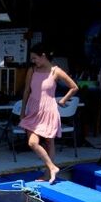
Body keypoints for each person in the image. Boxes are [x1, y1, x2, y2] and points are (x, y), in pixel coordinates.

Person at [20, 46, 79, 183]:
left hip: (49, 110)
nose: (33, 61)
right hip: (33, 110)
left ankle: (48, 174)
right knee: (32, 142)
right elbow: (26, 91)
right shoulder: (32, 70)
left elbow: (74, 87)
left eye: (35, 58)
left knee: (49, 141)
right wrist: (23, 111)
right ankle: (53, 167)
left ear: (43, 55)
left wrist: (63, 100)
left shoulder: (55, 71)